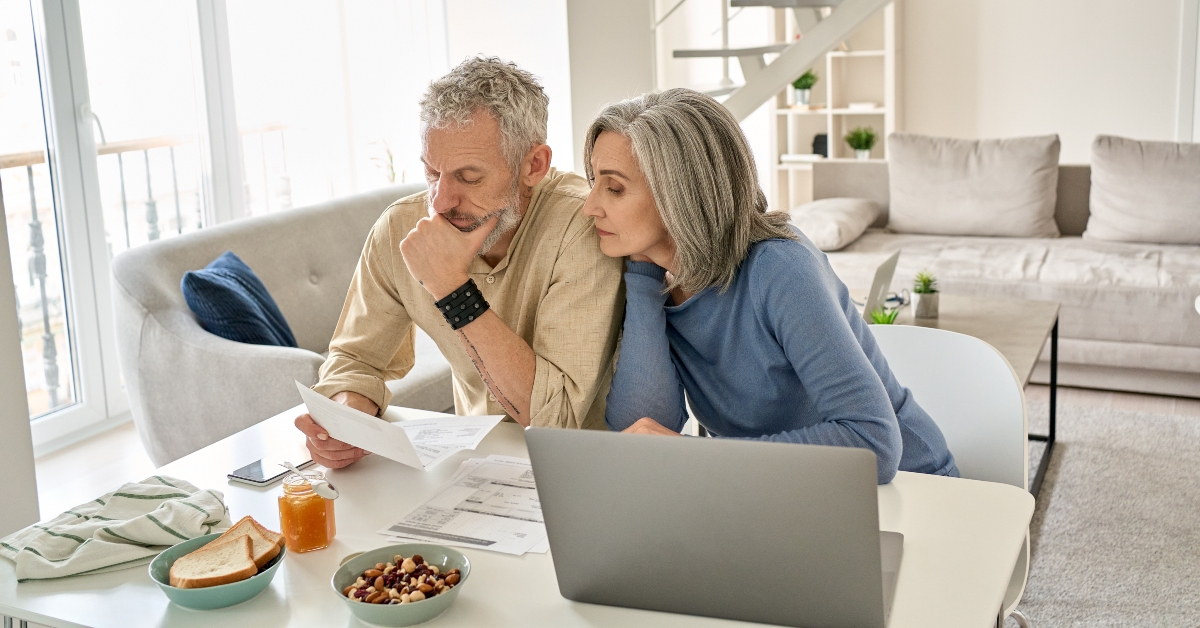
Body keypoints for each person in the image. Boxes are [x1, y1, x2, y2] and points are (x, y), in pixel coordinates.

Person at [586, 89, 957, 484]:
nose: (589, 205)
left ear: (680, 194)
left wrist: (699, 454)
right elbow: (641, 432)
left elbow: (873, 443)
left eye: (614, 188)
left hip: (908, 490)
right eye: (594, 182)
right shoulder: (658, 275)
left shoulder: (780, 268)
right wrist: (643, 281)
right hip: (778, 490)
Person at [295, 57, 624, 469]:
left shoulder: (584, 226)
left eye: (469, 178)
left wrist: (452, 290)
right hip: (473, 468)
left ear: (533, 165)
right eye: (433, 172)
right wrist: (347, 417)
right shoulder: (401, 226)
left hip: (584, 469)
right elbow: (356, 360)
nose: (440, 201)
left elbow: (553, 419)